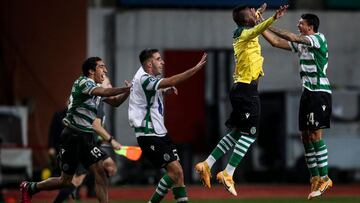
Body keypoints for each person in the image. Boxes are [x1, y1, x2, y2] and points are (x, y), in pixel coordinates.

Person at [194, 4, 288, 196]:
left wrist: (259, 12)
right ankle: (228, 173)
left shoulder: (244, 30)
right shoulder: (244, 33)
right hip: (247, 92)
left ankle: (207, 164)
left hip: (241, 90)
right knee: (250, 134)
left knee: (236, 133)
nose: (256, 15)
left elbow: (254, 24)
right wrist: (273, 18)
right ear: (248, 20)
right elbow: (258, 28)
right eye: (253, 14)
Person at [20, 56, 130, 203]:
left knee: (101, 172)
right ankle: (31, 187)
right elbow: (105, 93)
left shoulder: (96, 88)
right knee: (65, 181)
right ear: (91, 71)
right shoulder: (84, 82)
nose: (106, 70)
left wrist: (128, 92)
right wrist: (128, 88)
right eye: (101, 67)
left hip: (86, 139)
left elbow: (115, 102)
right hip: (72, 137)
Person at [260, 10, 333, 199]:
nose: (298, 26)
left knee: (316, 135)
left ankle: (325, 177)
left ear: (310, 27)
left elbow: (290, 36)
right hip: (307, 93)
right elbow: (276, 42)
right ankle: (315, 177)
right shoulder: (302, 44)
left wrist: (266, 22)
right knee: (305, 136)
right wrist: (258, 26)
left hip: (319, 93)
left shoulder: (318, 38)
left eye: (301, 23)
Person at [128, 49, 207, 203]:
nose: (162, 62)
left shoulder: (146, 77)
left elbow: (148, 97)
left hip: (159, 133)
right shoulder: (144, 78)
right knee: (175, 171)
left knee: (178, 174)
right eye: (158, 59)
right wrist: (195, 69)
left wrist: (164, 91)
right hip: (149, 135)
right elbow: (170, 80)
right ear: (149, 63)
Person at [52, 76, 130, 203]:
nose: (110, 86)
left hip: (91, 144)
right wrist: (112, 141)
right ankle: (58, 194)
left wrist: (127, 91)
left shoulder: (101, 102)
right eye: (108, 84)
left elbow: (116, 102)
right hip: (82, 144)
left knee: (109, 167)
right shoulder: (96, 101)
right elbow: (96, 126)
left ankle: (85, 186)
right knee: (73, 180)